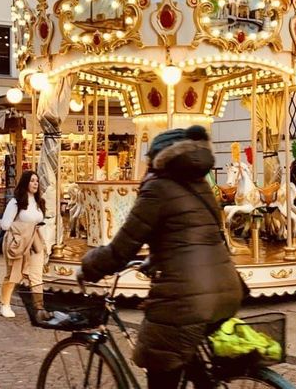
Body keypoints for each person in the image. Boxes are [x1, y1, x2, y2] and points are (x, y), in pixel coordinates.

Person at [81, 125, 245, 389]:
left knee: (159, 361)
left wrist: (89, 267)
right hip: (227, 289)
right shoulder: (200, 184)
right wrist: (156, 260)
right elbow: (187, 236)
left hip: (186, 299)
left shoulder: (157, 188)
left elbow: (121, 249)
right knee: (188, 357)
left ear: (157, 158)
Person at [0, 170, 49, 320]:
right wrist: (24, 228)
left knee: (36, 276)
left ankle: (39, 308)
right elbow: (5, 225)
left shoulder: (40, 202)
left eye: (37, 181)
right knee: (13, 274)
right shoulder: (16, 202)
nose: (35, 184)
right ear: (25, 182)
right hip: (19, 242)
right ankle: (5, 304)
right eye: (32, 181)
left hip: (35, 242)